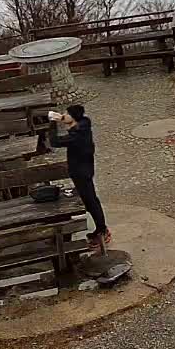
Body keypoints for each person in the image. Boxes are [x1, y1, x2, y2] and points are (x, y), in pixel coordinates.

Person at [47, 103, 109, 247]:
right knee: (90, 200)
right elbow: (71, 122)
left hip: (81, 172)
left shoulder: (76, 136)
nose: (64, 115)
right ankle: (100, 229)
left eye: (67, 113)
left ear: (74, 118)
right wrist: (62, 118)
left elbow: (55, 142)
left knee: (91, 201)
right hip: (85, 168)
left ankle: (102, 231)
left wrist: (52, 124)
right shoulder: (83, 124)